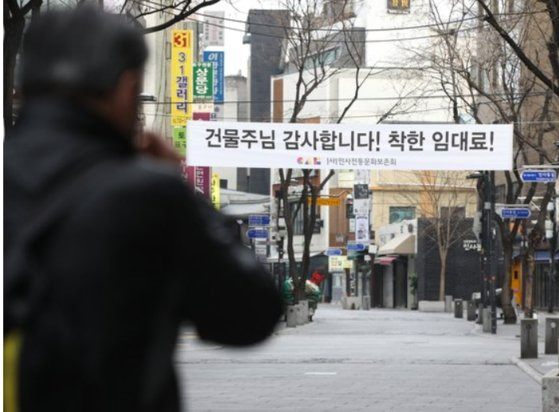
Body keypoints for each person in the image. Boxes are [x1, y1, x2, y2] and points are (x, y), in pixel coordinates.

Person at [4, 9, 282, 412]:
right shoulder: (146, 193)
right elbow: (251, 314)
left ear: (22, 88)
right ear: (125, 87)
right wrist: (185, 195)